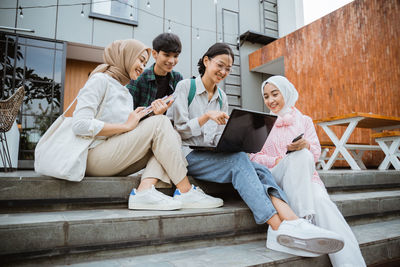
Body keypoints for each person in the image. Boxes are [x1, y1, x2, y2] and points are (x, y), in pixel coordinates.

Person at [168, 43, 344, 257]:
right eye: (220, 65)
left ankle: (295, 222)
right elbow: (178, 130)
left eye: (228, 69)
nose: (223, 72)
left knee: (259, 169)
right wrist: (206, 117)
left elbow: (216, 137)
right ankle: (277, 227)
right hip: (189, 155)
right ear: (206, 61)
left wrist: (233, 139)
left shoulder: (223, 98)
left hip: (212, 154)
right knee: (239, 162)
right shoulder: (186, 87)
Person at [72, 39, 222, 211]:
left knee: (171, 135)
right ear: (125, 57)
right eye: (140, 60)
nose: (143, 67)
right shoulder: (100, 79)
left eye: (144, 62)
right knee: (161, 124)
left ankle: (144, 191)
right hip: (92, 155)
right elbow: (79, 124)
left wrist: (146, 117)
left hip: (112, 154)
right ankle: (186, 191)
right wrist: (126, 126)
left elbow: (127, 134)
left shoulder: (124, 91)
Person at [250, 75, 366, 266]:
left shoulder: (304, 120)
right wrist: (277, 159)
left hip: (307, 178)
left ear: (286, 92)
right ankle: (304, 222)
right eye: (266, 96)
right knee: (300, 157)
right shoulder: (261, 123)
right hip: (276, 177)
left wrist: (305, 147)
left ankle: (351, 263)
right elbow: (253, 157)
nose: (270, 100)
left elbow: (315, 154)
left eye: (274, 94)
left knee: (321, 200)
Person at [127, 33, 183, 116]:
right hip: (142, 126)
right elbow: (128, 113)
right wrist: (153, 113)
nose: (171, 60)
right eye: (166, 55)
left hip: (169, 126)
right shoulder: (139, 78)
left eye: (175, 56)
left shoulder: (178, 78)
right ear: (154, 54)